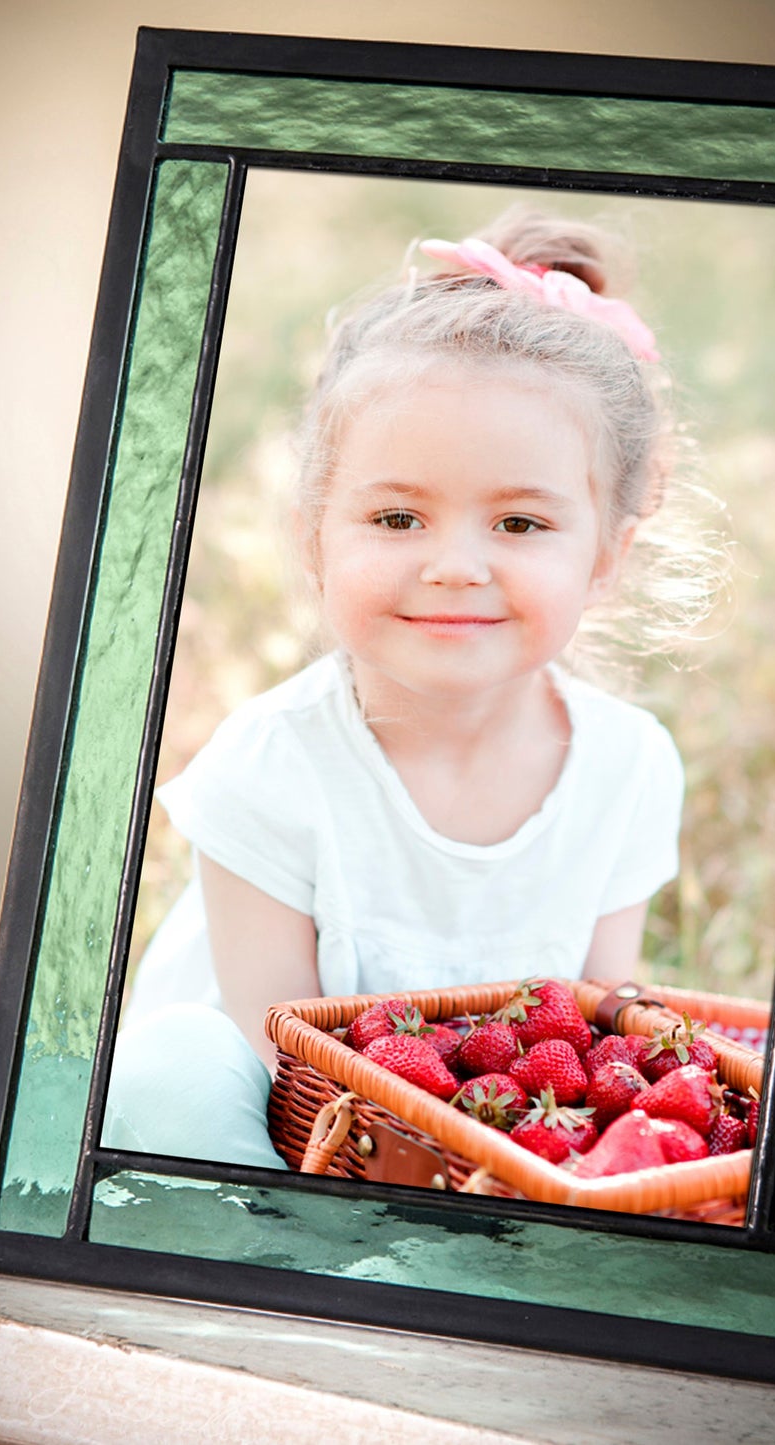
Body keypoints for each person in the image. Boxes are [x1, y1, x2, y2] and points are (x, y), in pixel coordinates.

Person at [103, 207, 719, 1168]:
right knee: (169, 1072)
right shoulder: (272, 764)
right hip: (281, 1134)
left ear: (607, 556)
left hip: (490, 1146)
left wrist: (538, 1163)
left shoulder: (627, 765)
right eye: (396, 517)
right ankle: (283, 1264)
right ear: (315, 535)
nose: (455, 566)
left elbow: (599, 1033)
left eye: (518, 525)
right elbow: (289, 1067)